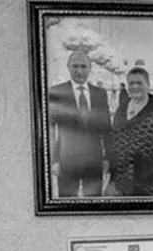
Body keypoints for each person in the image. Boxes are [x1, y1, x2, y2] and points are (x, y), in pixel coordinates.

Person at [47, 50, 111, 197]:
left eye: (83, 66)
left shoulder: (100, 94)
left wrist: (107, 158)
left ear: (90, 68)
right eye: (75, 66)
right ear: (68, 67)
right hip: (66, 161)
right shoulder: (56, 93)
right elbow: (50, 130)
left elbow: (107, 129)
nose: (79, 71)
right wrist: (54, 160)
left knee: (94, 203)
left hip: (94, 161)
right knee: (67, 203)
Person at [105, 67, 153, 196]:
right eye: (131, 83)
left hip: (151, 182)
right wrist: (113, 179)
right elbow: (114, 144)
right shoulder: (121, 110)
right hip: (123, 181)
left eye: (139, 83)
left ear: (148, 85)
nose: (135, 87)